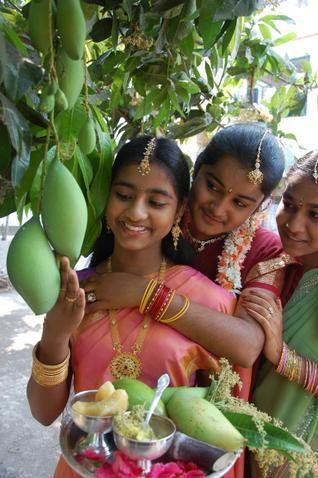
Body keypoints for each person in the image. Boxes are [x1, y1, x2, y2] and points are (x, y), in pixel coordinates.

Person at [27, 136, 237, 478]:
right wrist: (54, 337)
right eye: (124, 196)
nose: (136, 212)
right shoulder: (74, 290)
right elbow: (43, 413)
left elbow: (219, 420)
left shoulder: (208, 300)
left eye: (155, 202)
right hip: (85, 466)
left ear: (179, 209)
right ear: (106, 198)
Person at [240, 151, 318, 477]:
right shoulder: (280, 265)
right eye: (289, 205)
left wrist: (281, 355)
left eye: (315, 214)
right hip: (252, 437)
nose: (293, 224)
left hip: (298, 454)